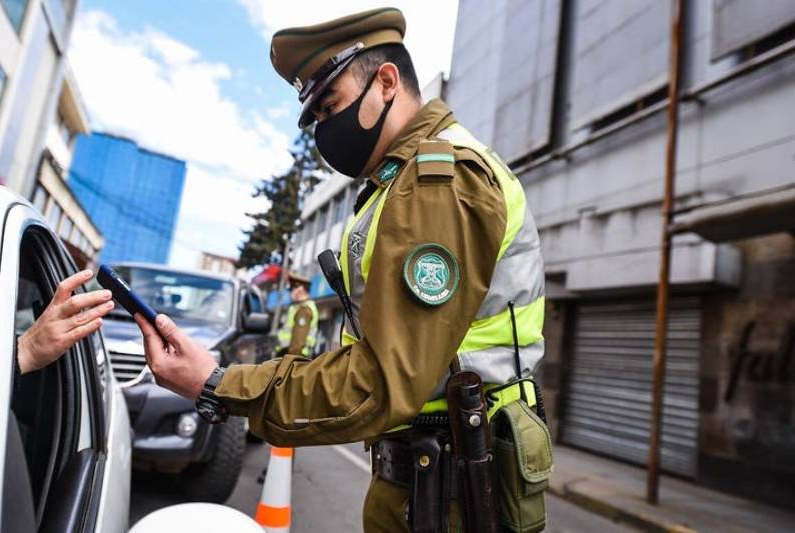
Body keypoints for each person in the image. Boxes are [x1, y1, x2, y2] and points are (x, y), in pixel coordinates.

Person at [133, 7, 546, 531]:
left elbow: (379, 382)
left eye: (331, 106)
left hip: (455, 493)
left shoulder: (435, 182)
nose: (324, 130)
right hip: (430, 483)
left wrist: (218, 384)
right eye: (316, 119)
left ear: (387, 82)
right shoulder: (396, 184)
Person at [17, 269, 113, 374]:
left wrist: (28, 349)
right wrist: (28, 349)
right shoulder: (25, 319)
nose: (79, 313)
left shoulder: (20, 318)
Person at [275, 272, 319, 358]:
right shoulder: (299, 307)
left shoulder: (304, 310)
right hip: (290, 355)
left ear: (300, 289)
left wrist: (289, 364)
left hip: (293, 357)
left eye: (292, 288)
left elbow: (297, 343)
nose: (291, 292)